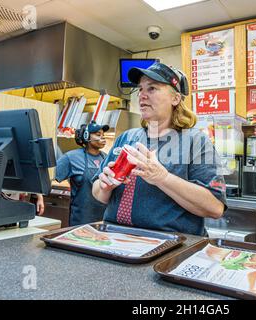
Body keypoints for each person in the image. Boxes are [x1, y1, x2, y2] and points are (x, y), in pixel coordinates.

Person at [92, 62, 226, 236]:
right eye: (140, 89)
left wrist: (162, 178)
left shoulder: (195, 141)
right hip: (115, 236)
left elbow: (215, 208)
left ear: (175, 99)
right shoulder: (127, 138)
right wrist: (105, 186)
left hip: (170, 244)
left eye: (152, 88)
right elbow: (97, 192)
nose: (142, 96)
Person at [55, 121, 109, 226]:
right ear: (86, 136)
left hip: (103, 220)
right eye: (98, 135)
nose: (103, 138)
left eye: (103, 135)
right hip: (80, 220)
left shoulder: (107, 158)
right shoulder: (71, 157)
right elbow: (49, 177)